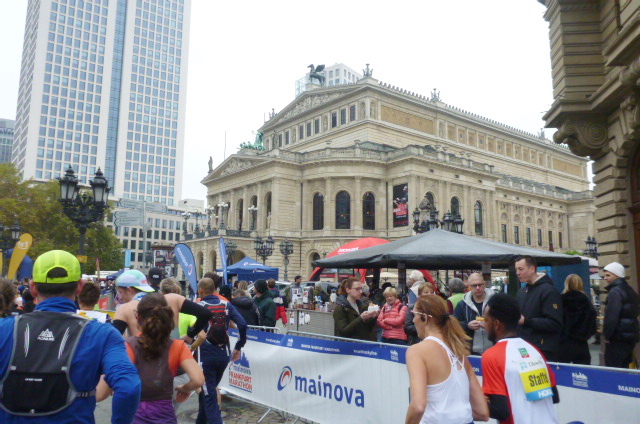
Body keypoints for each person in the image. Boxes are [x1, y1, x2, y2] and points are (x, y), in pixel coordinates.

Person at [0, 250, 141, 423]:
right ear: (80, 287)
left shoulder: (4, 329)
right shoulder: (102, 334)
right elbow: (129, 386)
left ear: (33, 288)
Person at [122, 293, 204, 424]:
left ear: (138, 317)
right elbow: (198, 380)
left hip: (135, 413)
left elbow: (113, 385)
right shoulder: (178, 346)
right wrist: (185, 388)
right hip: (164, 415)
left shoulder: (128, 346)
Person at [405, 295, 488, 424]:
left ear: (424, 318)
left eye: (414, 315)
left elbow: (418, 406)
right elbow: (482, 412)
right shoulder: (458, 351)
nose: (413, 320)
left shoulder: (417, 351)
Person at [481, 293, 559, 424]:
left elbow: (501, 411)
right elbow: (553, 396)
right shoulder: (534, 350)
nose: (484, 324)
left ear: (497, 324)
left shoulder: (491, 356)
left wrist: (473, 400)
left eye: (486, 320)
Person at [196, 275, 247, 424]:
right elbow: (243, 325)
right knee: (208, 392)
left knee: (209, 396)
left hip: (205, 356)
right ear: (214, 289)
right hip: (223, 355)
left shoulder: (198, 306)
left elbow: (190, 329)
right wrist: (239, 346)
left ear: (201, 290)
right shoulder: (226, 304)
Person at [113, 269, 211, 340]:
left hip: (142, 358)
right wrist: (190, 335)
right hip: (172, 357)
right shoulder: (173, 299)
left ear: (129, 290)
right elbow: (205, 314)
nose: (120, 297)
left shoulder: (125, 309)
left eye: (120, 292)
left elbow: (112, 341)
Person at [514, 255, 563, 361]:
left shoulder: (549, 291)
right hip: (524, 349)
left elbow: (555, 323)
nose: (517, 273)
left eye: (521, 269)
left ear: (532, 269)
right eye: (516, 269)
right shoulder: (522, 292)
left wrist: (526, 321)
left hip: (542, 351)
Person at [602, 262, 640, 368]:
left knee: (614, 368)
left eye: (608, 275)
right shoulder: (630, 290)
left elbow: (611, 317)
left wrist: (607, 335)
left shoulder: (615, 292)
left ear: (617, 275)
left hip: (617, 338)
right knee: (625, 367)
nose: (605, 278)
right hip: (629, 336)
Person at [559, 274, 597, 365]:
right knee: (582, 370)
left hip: (564, 343)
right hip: (581, 343)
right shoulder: (586, 301)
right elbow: (592, 323)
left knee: (563, 370)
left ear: (566, 284)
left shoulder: (561, 301)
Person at [454, 272, 494, 355]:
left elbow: (505, 322)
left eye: (480, 285)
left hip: (494, 348)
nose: (478, 288)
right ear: (469, 287)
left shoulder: (496, 301)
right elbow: (454, 325)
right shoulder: (462, 305)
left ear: (484, 284)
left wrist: (491, 325)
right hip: (471, 351)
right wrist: (467, 325)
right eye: (474, 285)